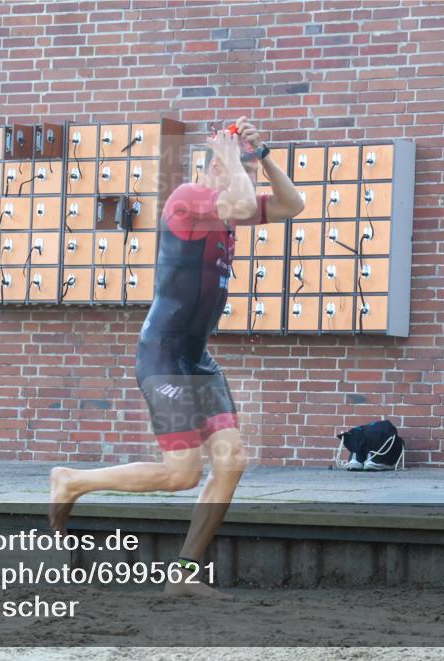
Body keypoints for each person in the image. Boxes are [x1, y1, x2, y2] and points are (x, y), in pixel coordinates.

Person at [49, 117, 305, 596]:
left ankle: (183, 577)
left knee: (231, 462)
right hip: (163, 354)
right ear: (213, 172)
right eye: (233, 171)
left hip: (196, 357)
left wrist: (262, 152)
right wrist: (228, 151)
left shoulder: (227, 212)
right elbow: (243, 199)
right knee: (180, 474)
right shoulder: (188, 197)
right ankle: (72, 480)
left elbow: (294, 204)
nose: (242, 178)